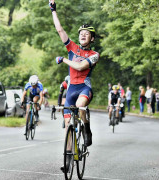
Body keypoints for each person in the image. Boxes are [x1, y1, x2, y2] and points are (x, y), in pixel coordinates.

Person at [50, 0, 99, 149]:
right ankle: (69, 156)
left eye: (87, 34)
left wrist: (64, 59)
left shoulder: (94, 54)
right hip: (71, 90)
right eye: (81, 34)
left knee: (79, 106)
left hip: (84, 88)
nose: (83, 35)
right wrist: (53, 10)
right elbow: (60, 30)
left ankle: (86, 128)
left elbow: (79, 67)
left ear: (92, 38)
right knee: (67, 125)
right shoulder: (72, 48)